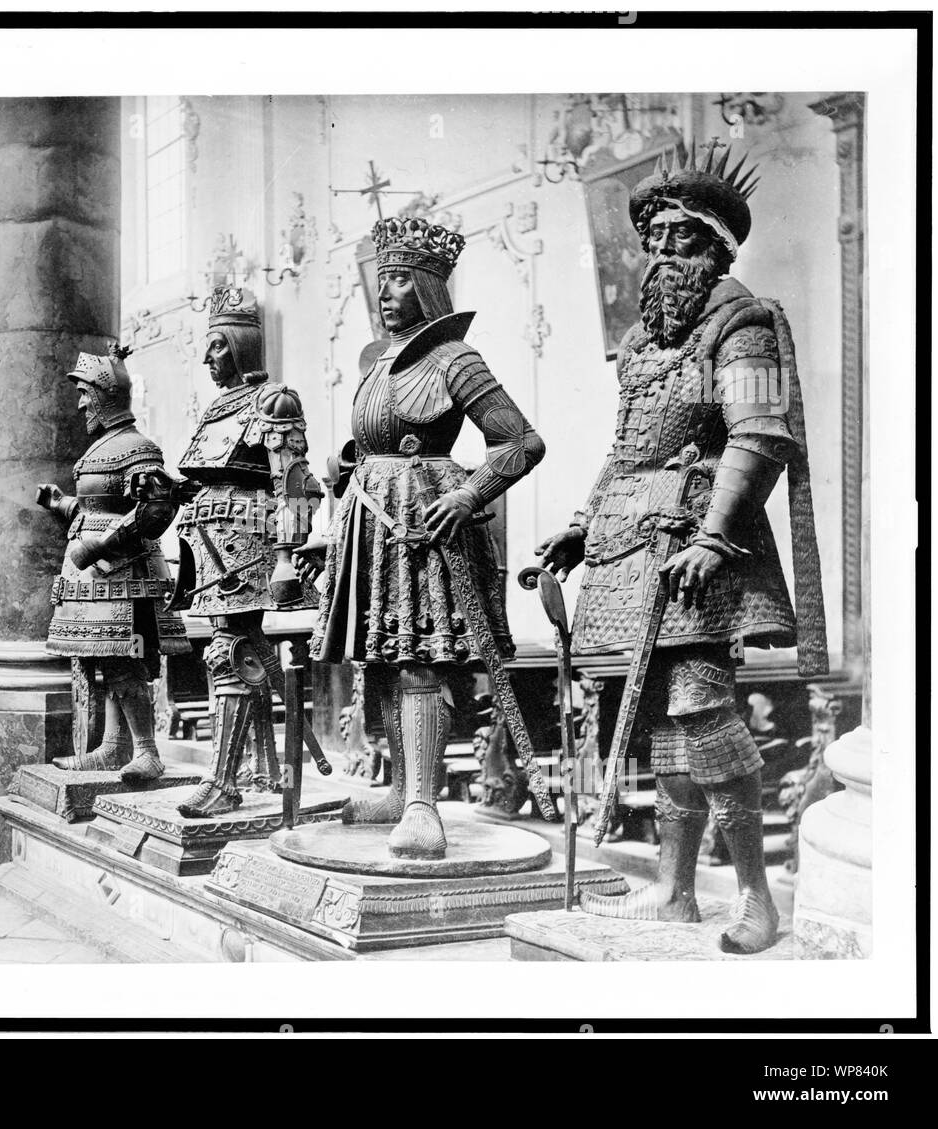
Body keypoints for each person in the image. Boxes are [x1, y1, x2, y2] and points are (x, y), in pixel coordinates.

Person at [536, 143, 827, 954]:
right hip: (633, 553)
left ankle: (758, 901)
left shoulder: (742, 326)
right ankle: (672, 890)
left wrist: (715, 534)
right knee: (668, 727)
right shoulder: (641, 345)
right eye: (653, 238)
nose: (662, 253)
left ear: (718, 249)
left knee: (706, 715)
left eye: (681, 238)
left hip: (697, 554)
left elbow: (759, 436)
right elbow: (628, 449)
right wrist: (583, 524)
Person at [295, 216, 545, 860]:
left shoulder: (455, 359)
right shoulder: (379, 362)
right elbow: (368, 452)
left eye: (400, 280)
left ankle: (423, 806)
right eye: (381, 281)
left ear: (429, 288)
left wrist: (468, 494)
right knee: (376, 660)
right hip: (371, 520)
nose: (385, 293)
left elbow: (521, 440)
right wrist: (341, 511)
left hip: (421, 521)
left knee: (417, 660)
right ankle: (397, 789)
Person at [141, 286, 322, 818]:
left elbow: (292, 482)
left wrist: (288, 558)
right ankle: (261, 770)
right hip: (207, 546)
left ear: (240, 346)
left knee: (229, 653)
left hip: (249, 547)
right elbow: (211, 480)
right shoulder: (218, 408)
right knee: (245, 652)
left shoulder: (274, 401)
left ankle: (223, 784)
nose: (206, 358)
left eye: (217, 345)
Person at [37, 345, 188, 781]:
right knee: (106, 660)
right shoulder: (104, 445)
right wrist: (61, 503)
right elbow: (97, 510)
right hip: (96, 580)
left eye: (85, 393)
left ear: (104, 393)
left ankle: (146, 752)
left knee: (124, 663)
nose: (81, 402)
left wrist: (100, 546)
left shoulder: (138, 448)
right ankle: (111, 748)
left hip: (127, 577)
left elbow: (156, 512)